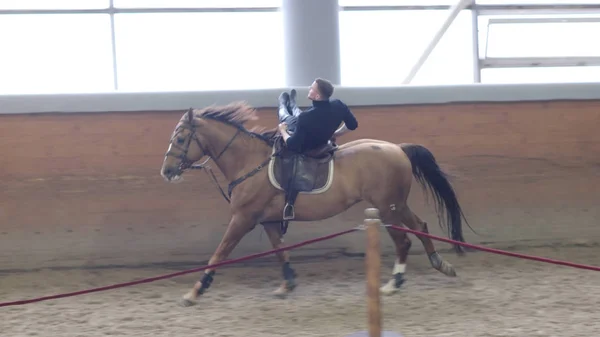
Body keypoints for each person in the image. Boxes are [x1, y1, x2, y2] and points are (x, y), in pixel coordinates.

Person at [277, 77, 359, 220]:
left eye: (311, 88)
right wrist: (336, 133)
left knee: (285, 117)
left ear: (317, 96)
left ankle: (283, 102)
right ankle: (292, 102)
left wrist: (282, 131)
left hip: (307, 145)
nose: (309, 88)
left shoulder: (306, 118)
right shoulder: (338, 105)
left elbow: (293, 145)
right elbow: (352, 125)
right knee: (297, 114)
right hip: (322, 141)